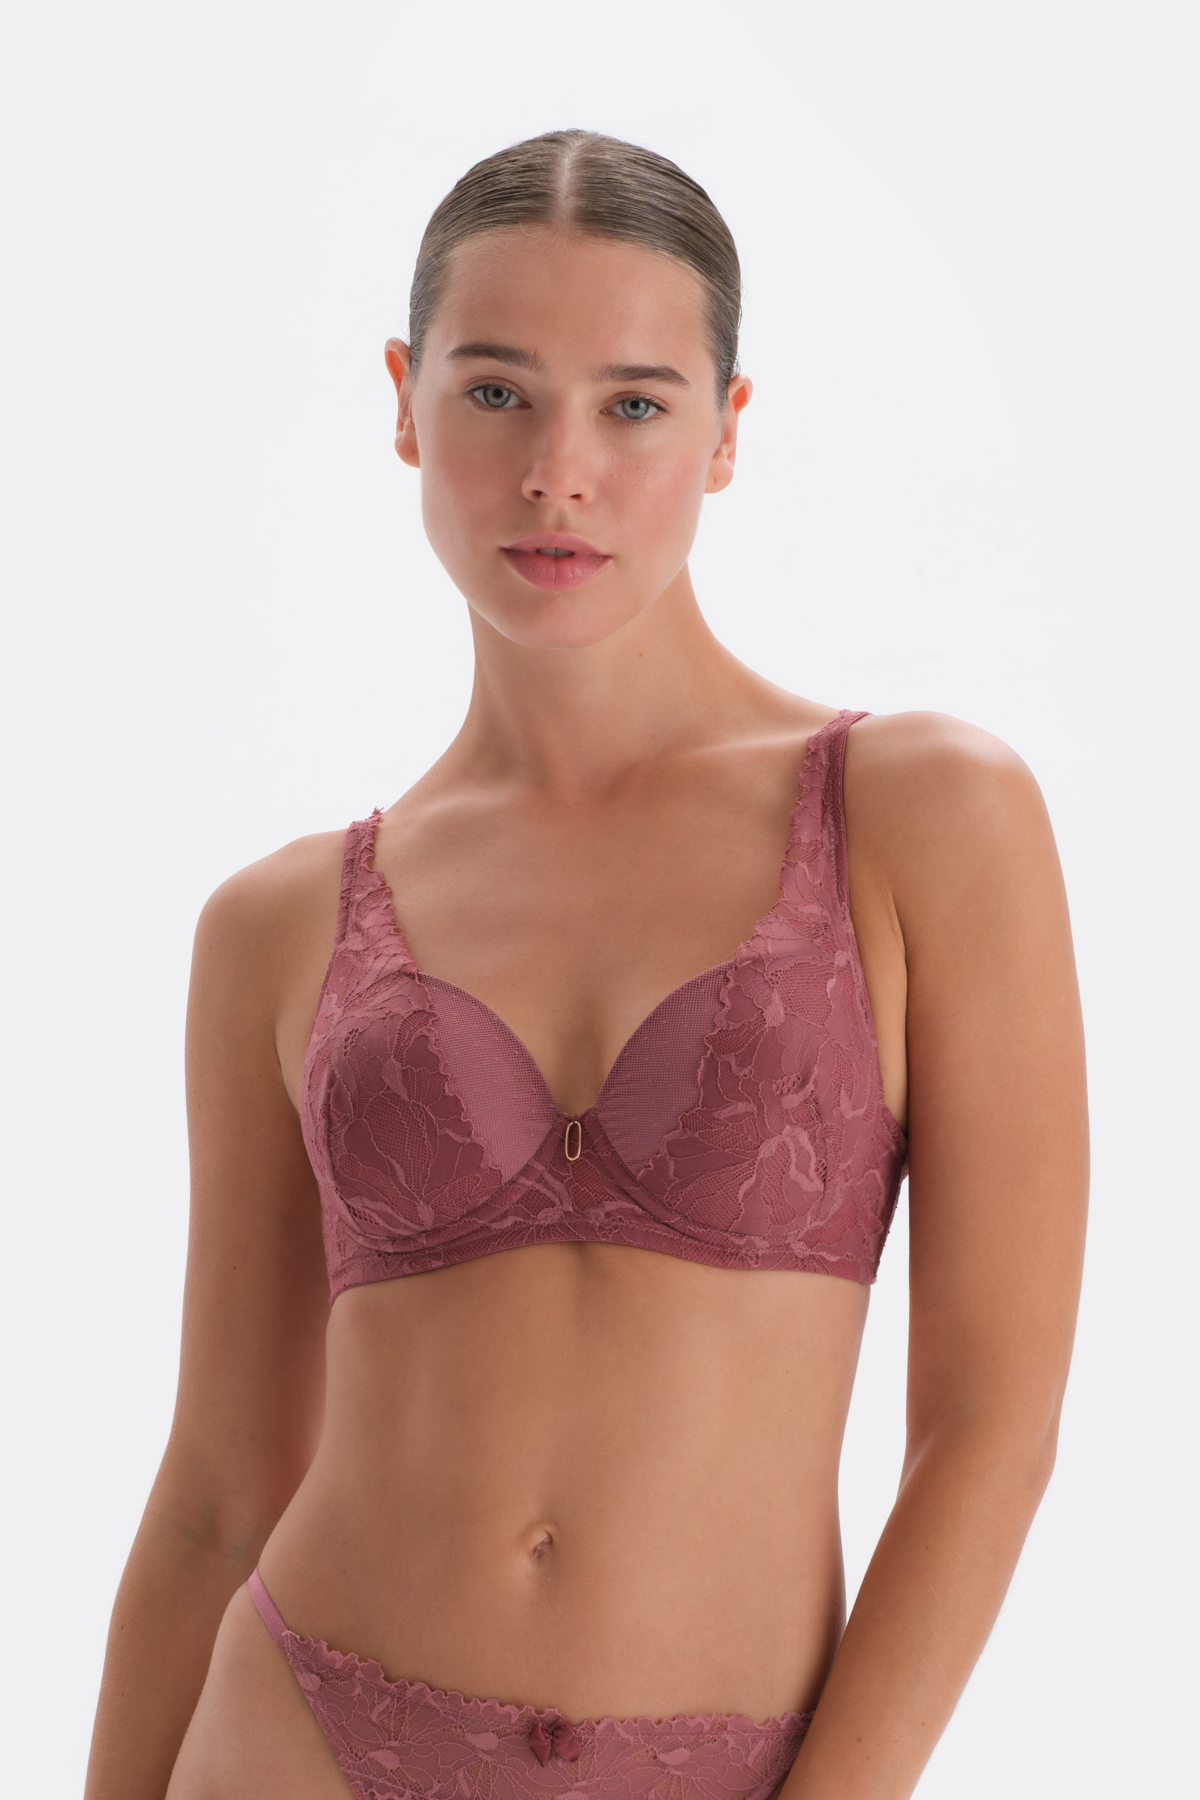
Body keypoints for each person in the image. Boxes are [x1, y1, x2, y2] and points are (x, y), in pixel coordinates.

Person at [84, 130, 1088, 1800]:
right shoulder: (277, 925)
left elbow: (990, 1428)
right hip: (299, 1738)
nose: (559, 471)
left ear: (725, 431)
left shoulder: (920, 817)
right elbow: (213, 1494)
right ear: (405, 403)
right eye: (496, 393)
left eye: (633, 404)